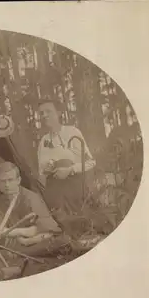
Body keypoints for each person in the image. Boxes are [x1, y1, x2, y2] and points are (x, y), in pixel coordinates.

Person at [36, 99, 98, 237]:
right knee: (59, 227)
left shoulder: (72, 132)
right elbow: (41, 173)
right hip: (53, 191)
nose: (44, 115)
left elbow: (90, 162)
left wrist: (70, 170)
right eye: (41, 113)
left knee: (78, 227)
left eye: (48, 111)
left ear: (59, 113)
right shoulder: (43, 141)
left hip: (73, 187)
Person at [0, 161, 66, 258]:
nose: (7, 185)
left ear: (18, 180)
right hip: (15, 240)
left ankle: (20, 252)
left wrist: (26, 239)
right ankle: (20, 252)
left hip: (37, 239)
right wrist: (21, 233)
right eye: (3, 181)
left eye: (10, 180)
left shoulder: (31, 198)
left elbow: (44, 229)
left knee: (52, 240)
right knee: (3, 245)